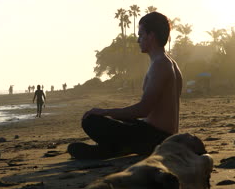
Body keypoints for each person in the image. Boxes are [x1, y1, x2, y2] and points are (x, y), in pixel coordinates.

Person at [68, 12, 183, 159]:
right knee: (113, 121)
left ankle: (117, 148)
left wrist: (104, 112)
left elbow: (143, 110)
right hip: (158, 134)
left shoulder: (160, 65)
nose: (137, 40)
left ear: (151, 36)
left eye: (141, 35)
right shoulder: (170, 63)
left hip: (156, 139)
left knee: (90, 121)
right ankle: (114, 148)